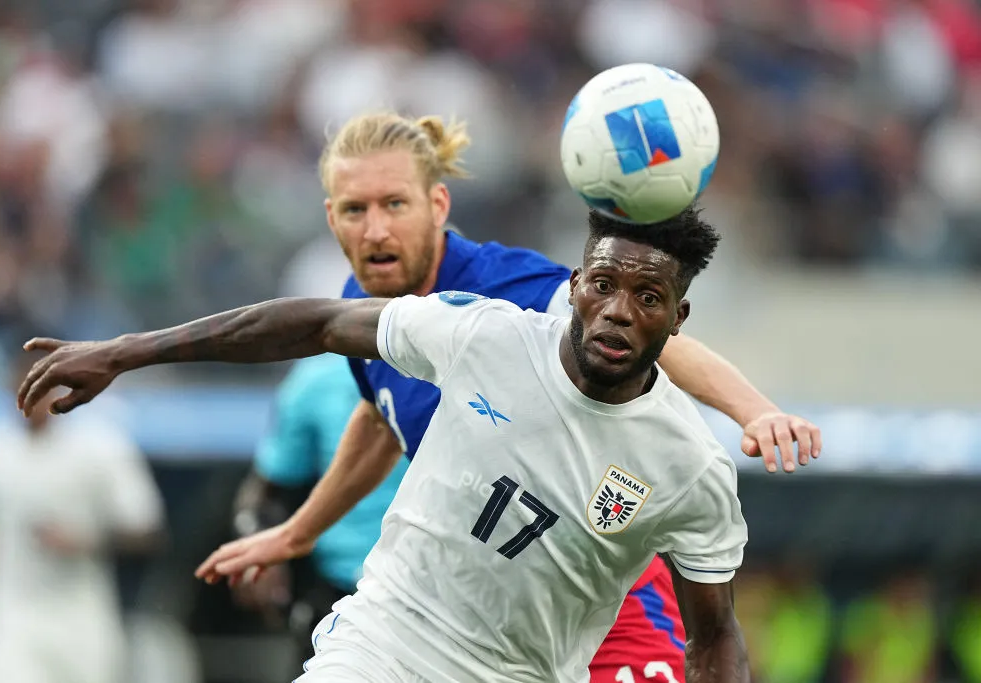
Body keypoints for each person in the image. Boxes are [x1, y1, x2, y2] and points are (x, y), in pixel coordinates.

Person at [16, 207, 760, 682]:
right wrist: (125, 352)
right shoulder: (483, 335)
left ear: (678, 318)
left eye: (648, 298)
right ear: (573, 285)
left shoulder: (689, 467)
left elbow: (715, 635)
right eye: (603, 284)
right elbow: (314, 323)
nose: (618, 311)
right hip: (385, 643)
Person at [230, 111, 820, 682]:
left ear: (438, 205)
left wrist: (754, 411)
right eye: (356, 209)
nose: (376, 228)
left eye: (394, 204)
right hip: (482, 623)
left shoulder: (503, 289)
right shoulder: (365, 308)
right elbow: (381, 420)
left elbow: (645, 334)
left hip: (607, 606)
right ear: (331, 217)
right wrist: (298, 531)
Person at [0, 354, 165, 683]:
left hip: (82, 618)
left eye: (42, 389)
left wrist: (86, 540)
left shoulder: (101, 448)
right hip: (10, 616)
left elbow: (147, 531)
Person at [231, 354, 408, 632]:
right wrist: (259, 546)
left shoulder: (460, 370)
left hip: (444, 589)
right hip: (340, 592)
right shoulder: (316, 379)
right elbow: (270, 490)